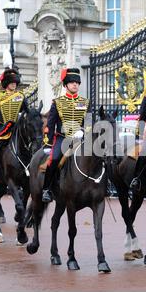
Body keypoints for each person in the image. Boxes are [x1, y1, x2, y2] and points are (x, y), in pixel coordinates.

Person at [41, 68, 91, 203]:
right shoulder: (58, 102)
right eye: (72, 82)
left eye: (77, 82)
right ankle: (47, 189)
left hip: (80, 139)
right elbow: (50, 126)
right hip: (62, 138)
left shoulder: (85, 102)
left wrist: (83, 131)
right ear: (66, 85)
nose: (75, 84)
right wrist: (48, 143)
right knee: (55, 159)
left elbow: (89, 122)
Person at [0, 68, 28, 182]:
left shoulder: (21, 96)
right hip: (3, 127)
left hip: (16, 127)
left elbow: (27, 111)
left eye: (15, 82)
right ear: (6, 83)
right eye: (11, 82)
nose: (13, 84)